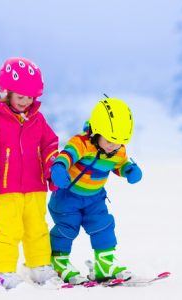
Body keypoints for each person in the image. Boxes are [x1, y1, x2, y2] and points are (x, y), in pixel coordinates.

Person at [0, 57, 59, 289]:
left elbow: (50, 145)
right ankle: (2, 270)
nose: (25, 102)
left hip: (35, 186)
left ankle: (38, 265)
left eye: (30, 97)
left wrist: (53, 170)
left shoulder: (37, 119)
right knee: (10, 230)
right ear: (5, 91)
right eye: (20, 96)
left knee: (37, 228)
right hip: (6, 187)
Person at [48, 97, 143, 284]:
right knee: (67, 228)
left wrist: (129, 170)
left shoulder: (118, 151)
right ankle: (58, 261)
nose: (113, 146)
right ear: (96, 130)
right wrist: (59, 167)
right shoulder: (81, 143)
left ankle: (104, 264)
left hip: (95, 199)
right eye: (109, 140)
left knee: (104, 226)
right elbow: (66, 156)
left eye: (119, 142)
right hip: (68, 197)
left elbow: (120, 164)